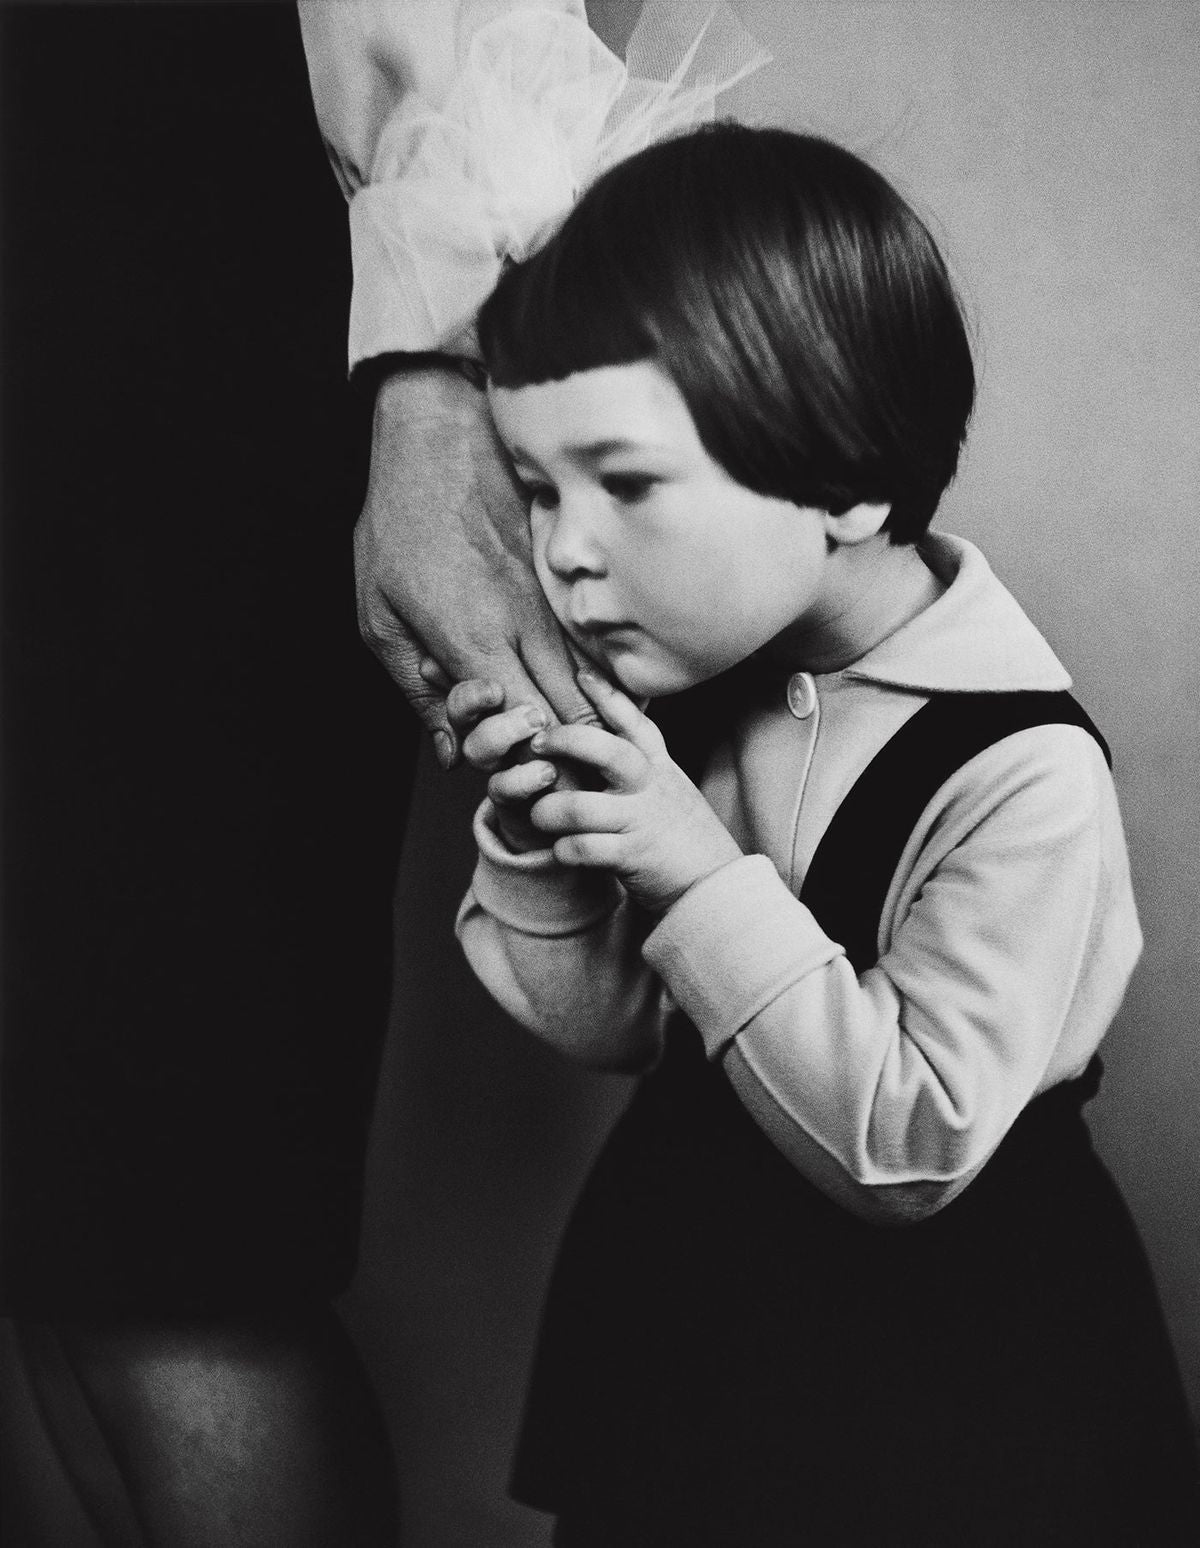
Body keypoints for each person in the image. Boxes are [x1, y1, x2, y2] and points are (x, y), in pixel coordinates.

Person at [449, 125, 1200, 1545]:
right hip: (689, 1347)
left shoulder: (1022, 771)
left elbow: (909, 1146)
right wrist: (543, 846)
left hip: (943, 1385)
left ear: (850, 479)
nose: (566, 552)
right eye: (540, 490)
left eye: (627, 482)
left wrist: (687, 863)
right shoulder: (694, 676)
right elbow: (624, 1029)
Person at [0, 2, 623, 1541]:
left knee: (166, 1234)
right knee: (47, 1241)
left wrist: (434, 384)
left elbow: (458, 32)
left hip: (164, 380)